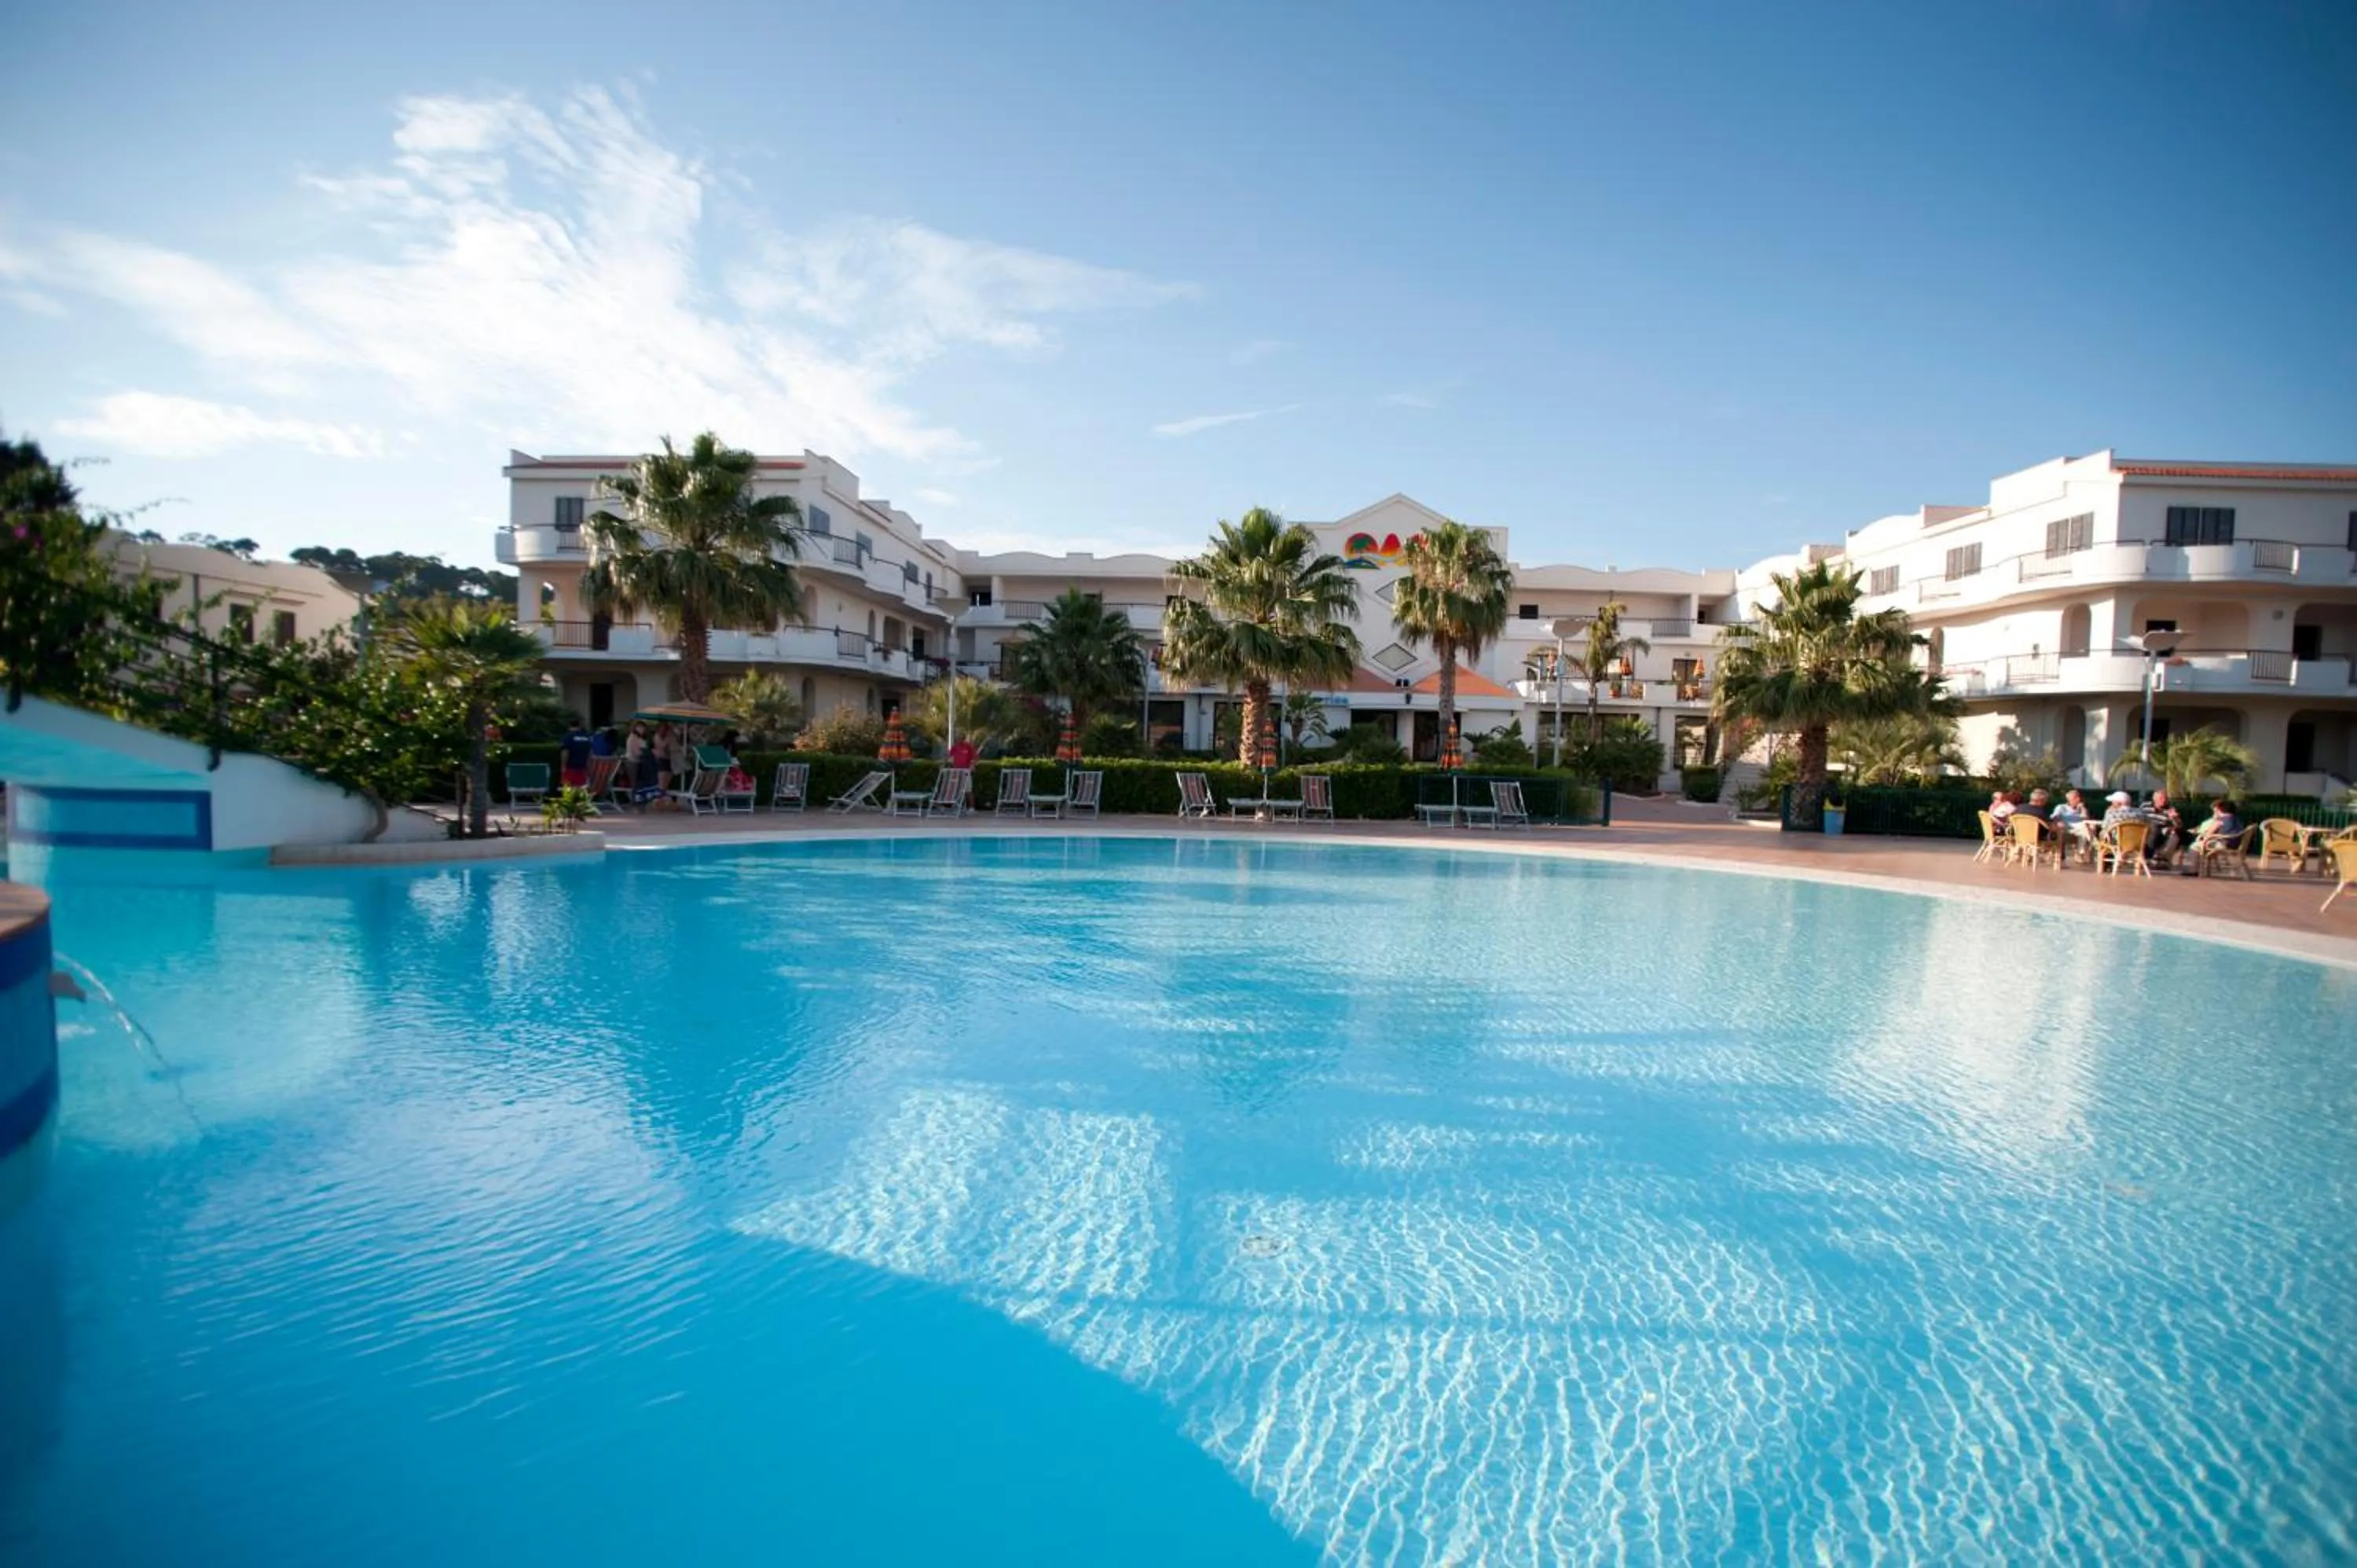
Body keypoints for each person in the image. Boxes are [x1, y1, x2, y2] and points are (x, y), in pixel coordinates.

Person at [2187, 798, 2242, 876]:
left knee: (2194, 846)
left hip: (2223, 844)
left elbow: (2209, 834)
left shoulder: (2220, 821)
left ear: (2219, 809)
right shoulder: (2235, 819)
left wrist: (2201, 835)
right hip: (2236, 844)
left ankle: (2193, 870)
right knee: (2205, 843)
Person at [559, 721, 593, 789]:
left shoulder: (568, 737)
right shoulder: (586, 738)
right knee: (580, 787)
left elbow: (565, 752)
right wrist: (589, 768)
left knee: (568, 788)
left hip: (571, 767)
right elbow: (590, 754)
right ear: (579, 726)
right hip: (583, 768)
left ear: (569, 726)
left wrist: (563, 766)